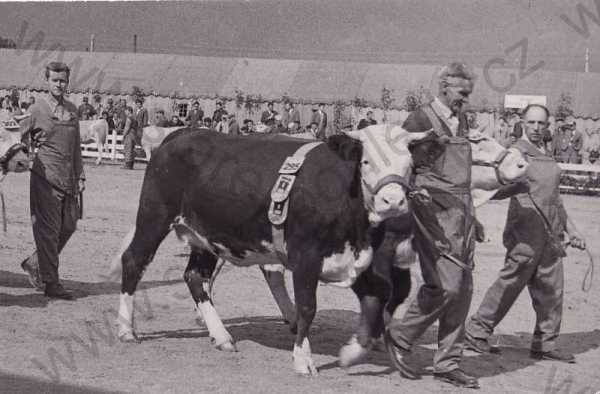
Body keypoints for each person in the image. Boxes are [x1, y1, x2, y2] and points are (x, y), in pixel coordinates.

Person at [465, 104, 586, 363]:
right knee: (510, 283)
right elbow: (492, 188)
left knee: (552, 288)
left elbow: (555, 198)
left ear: (548, 125)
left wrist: (571, 229)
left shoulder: (546, 152)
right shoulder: (514, 152)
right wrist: (512, 188)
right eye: (531, 123)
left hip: (551, 232)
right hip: (525, 231)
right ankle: (477, 332)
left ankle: (545, 342)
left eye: (541, 123)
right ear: (523, 122)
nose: (536, 128)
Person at [385, 62, 479, 389]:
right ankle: (400, 335)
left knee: (463, 289)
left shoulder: (463, 120)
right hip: (431, 213)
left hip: (462, 213)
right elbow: (399, 161)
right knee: (445, 285)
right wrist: (413, 194)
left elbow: (462, 175)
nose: (465, 99)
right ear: (443, 89)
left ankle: (448, 363)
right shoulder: (420, 119)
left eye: (468, 93)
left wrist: (473, 218)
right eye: (460, 92)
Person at [18, 61, 85, 300]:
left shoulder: (73, 109)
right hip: (44, 178)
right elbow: (18, 135)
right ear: (46, 81)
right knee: (48, 231)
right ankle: (51, 282)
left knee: (69, 225)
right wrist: (21, 155)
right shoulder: (37, 109)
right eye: (55, 80)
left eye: (63, 80)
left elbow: (76, 146)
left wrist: (81, 174)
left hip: (68, 178)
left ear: (68, 82)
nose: (59, 84)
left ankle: (35, 263)